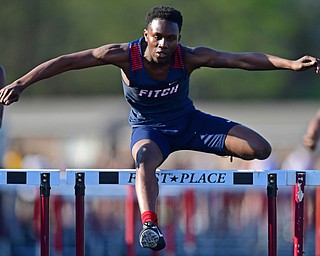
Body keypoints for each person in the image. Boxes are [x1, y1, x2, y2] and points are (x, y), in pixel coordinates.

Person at [0, 5, 319, 251]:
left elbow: (242, 60)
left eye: (171, 38)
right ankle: (150, 225)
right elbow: (67, 61)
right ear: (146, 34)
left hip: (190, 124)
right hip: (149, 130)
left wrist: (289, 63)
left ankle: (218, 147)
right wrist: (21, 83)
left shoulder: (189, 57)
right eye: (158, 37)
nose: (164, 43)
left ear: (179, 38)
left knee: (260, 149)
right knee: (144, 161)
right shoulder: (123, 55)